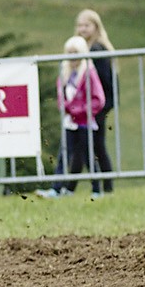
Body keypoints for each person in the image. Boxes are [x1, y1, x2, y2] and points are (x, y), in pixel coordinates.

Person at [56, 35, 107, 198]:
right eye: (69, 53)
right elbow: (61, 97)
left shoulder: (89, 73)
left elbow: (99, 99)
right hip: (70, 122)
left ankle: (97, 189)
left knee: (88, 157)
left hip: (85, 122)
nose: (73, 58)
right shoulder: (64, 74)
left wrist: (80, 109)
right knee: (64, 155)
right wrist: (65, 107)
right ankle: (56, 188)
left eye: (76, 53)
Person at [73, 9, 116, 191]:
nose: (83, 29)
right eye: (80, 25)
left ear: (96, 27)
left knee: (91, 146)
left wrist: (101, 105)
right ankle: (103, 186)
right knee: (91, 146)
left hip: (97, 105)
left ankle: (70, 186)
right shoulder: (87, 49)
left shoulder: (97, 50)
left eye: (87, 25)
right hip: (92, 105)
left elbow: (104, 81)